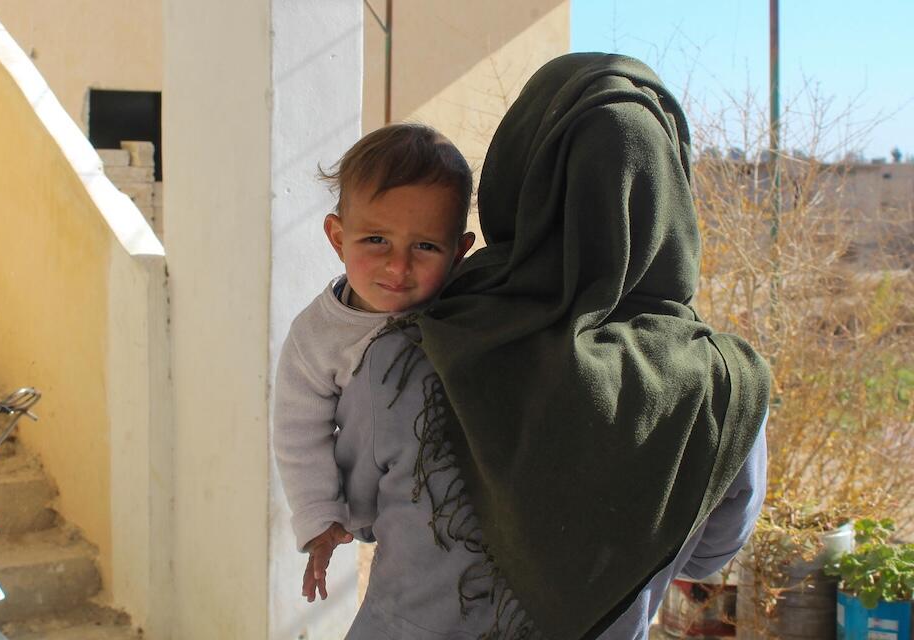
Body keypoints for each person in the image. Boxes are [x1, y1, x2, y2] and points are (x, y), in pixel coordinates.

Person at [327, 53, 772, 639]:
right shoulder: (721, 386)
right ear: (667, 195)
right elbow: (708, 554)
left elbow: (360, 515)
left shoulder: (411, 348)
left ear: (517, 179)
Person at [272, 123, 476, 602]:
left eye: (425, 246)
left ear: (459, 253)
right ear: (338, 237)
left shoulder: (465, 311)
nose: (398, 267)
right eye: (376, 241)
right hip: (374, 503)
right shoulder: (316, 336)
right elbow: (299, 432)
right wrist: (322, 521)